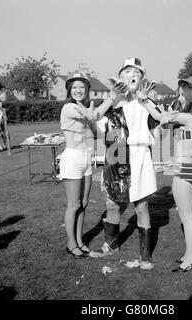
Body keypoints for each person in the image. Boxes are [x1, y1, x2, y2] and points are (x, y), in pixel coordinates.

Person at [96, 58, 172, 270]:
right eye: (128, 71)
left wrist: (144, 99)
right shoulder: (113, 101)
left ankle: (145, 256)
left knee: (141, 206)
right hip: (116, 153)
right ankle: (111, 245)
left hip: (139, 154)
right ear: (121, 76)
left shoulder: (146, 101)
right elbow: (97, 122)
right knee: (113, 204)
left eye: (136, 73)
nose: (132, 75)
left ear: (141, 79)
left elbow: (161, 118)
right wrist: (112, 98)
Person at [140, 76, 192, 272]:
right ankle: (190, 255)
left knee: (186, 215)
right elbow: (164, 118)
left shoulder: (186, 117)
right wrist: (164, 113)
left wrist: (144, 100)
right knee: (189, 215)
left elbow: (159, 118)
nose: (179, 98)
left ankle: (191, 259)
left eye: (182, 94)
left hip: (183, 170)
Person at [59, 72, 127, 259]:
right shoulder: (69, 107)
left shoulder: (84, 109)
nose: (78, 90)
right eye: (75, 88)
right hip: (72, 158)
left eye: (82, 87)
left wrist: (98, 122)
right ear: (69, 90)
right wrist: (110, 98)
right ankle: (71, 244)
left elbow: (96, 130)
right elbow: (94, 114)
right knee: (73, 204)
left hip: (86, 158)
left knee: (84, 203)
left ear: (87, 89)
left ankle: (80, 241)